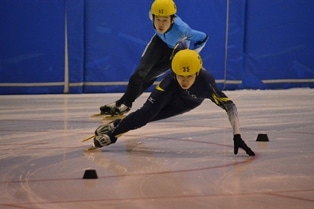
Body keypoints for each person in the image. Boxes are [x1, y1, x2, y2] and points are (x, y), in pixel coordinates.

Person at [92, 49, 255, 157]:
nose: (184, 81)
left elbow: (230, 107)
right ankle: (112, 136)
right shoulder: (171, 79)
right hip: (170, 90)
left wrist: (237, 135)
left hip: (187, 103)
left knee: (148, 118)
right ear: (175, 72)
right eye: (180, 76)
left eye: (189, 76)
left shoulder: (207, 84)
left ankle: (118, 124)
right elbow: (146, 110)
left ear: (197, 73)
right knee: (146, 113)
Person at [100, 0, 208, 116]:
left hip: (175, 52)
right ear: (153, 17)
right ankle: (124, 104)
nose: (161, 24)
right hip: (158, 43)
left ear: (172, 19)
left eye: (165, 20)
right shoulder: (151, 15)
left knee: (149, 77)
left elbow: (203, 37)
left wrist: (193, 52)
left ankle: (123, 103)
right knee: (140, 73)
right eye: (158, 20)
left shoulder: (183, 29)